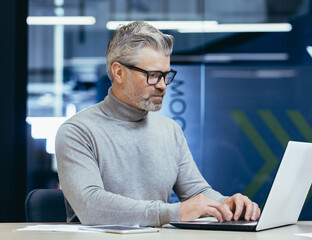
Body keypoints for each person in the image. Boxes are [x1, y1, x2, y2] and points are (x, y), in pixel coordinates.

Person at [55, 21, 261, 227]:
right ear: (119, 73)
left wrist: (226, 204)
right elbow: (91, 207)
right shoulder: (77, 132)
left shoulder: (169, 130)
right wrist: (175, 212)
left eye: (166, 75)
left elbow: (197, 192)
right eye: (153, 75)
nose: (163, 85)